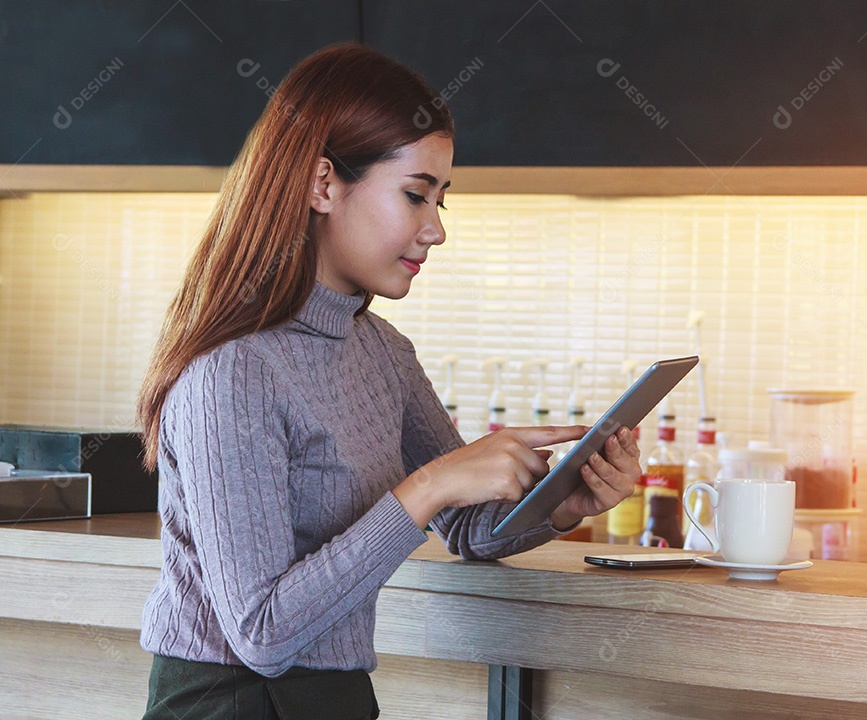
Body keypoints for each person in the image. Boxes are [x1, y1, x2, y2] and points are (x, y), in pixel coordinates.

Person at [135, 42, 640, 720]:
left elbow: (470, 530)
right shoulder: (233, 373)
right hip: (230, 702)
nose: (434, 230)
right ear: (322, 185)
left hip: (335, 696)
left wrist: (565, 501)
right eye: (414, 195)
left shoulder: (383, 353)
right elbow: (262, 633)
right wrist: (431, 485)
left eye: (441, 201)